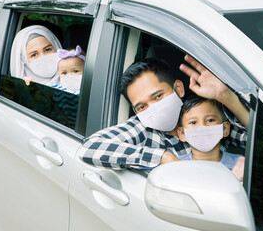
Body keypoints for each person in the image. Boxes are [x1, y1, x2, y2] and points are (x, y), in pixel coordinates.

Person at [80, 57, 249, 180]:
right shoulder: (142, 129)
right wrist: (162, 157)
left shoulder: (203, 115)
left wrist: (228, 99)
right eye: (142, 106)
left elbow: (260, 141)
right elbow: (89, 147)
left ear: (178, 88)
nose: (152, 109)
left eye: (158, 96)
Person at [177, 94, 245, 177]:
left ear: (225, 129)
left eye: (210, 120)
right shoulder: (176, 167)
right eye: (193, 122)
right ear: (182, 134)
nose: (202, 127)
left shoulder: (241, 165)